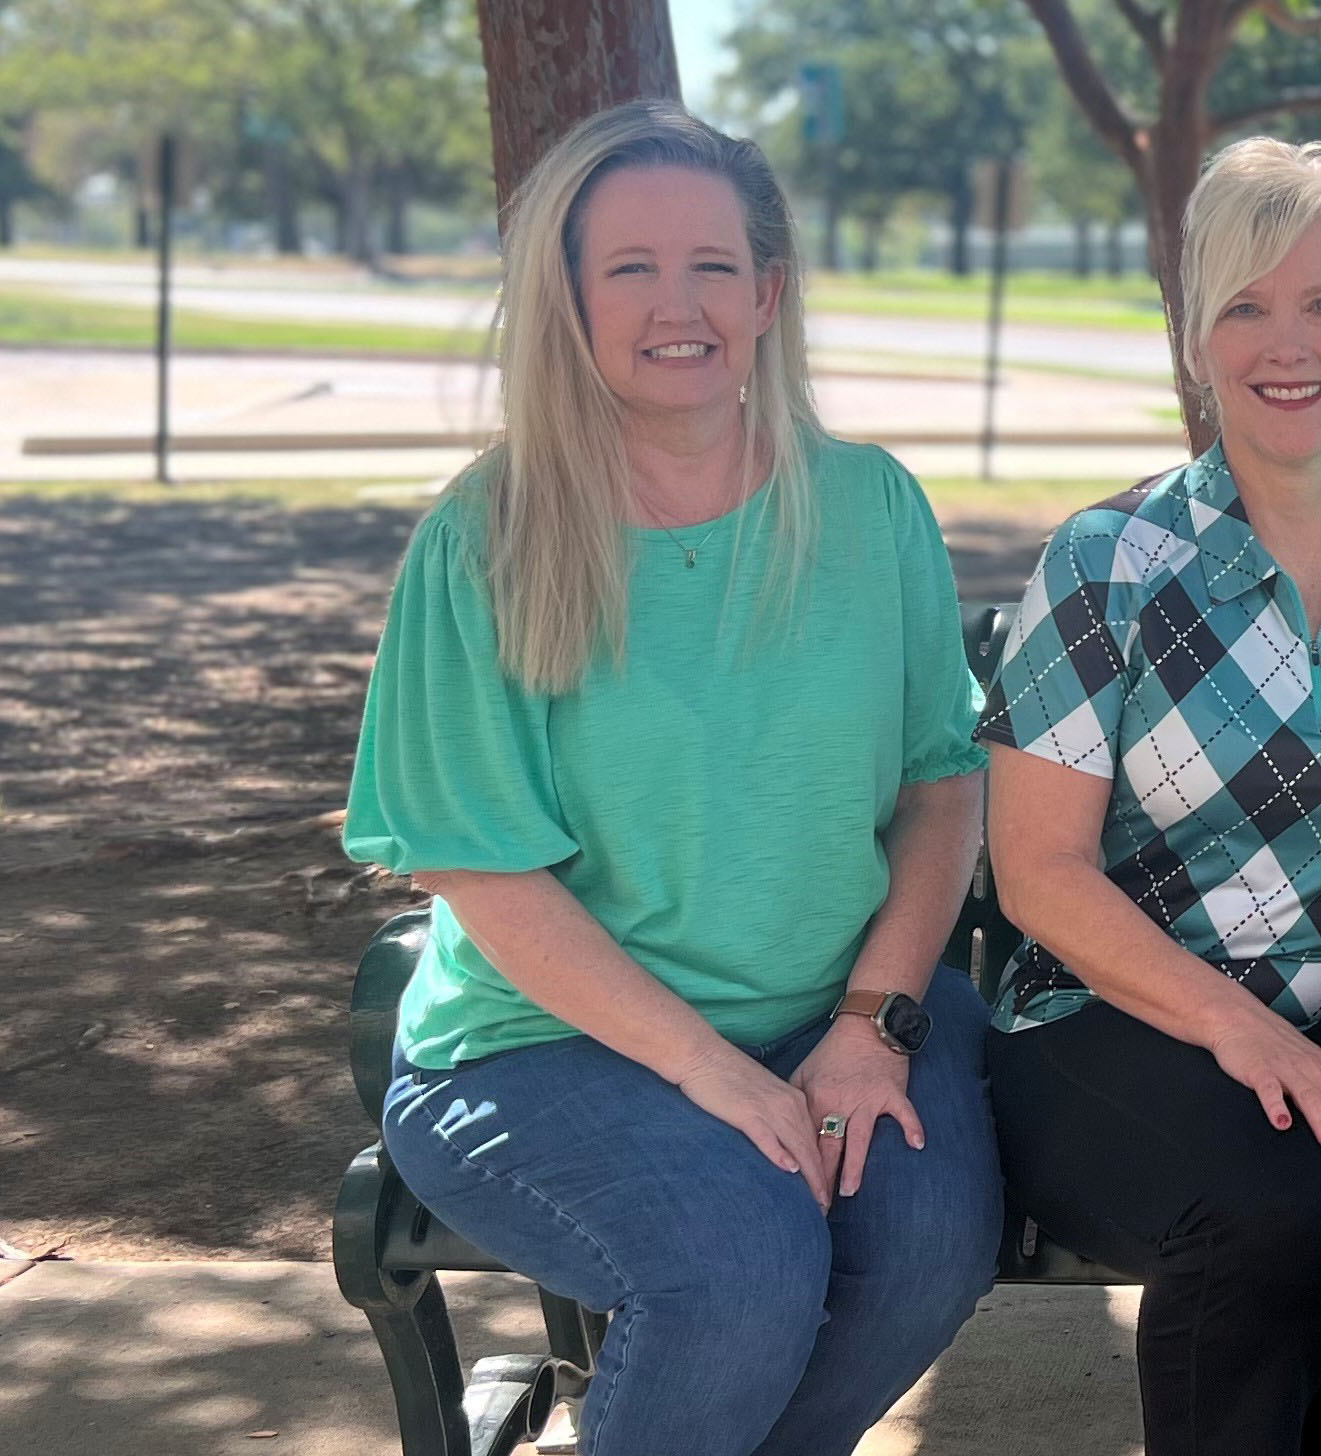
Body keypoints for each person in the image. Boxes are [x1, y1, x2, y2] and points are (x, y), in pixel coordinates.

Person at [343, 100, 998, 1456]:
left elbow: (943, 783)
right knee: (740, 1269)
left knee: (929, 1253)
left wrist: (870, 1023)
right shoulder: (486, 540)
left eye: (711, 265)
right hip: (544, 1046)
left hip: (837, 1010)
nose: (675, 302)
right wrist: (714, 1071)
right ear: (568, 300)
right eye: (628, 268)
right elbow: (482, 870)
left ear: (767, 294)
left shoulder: (869, 509)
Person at [978, 137, 1321, 1456]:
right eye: (1246, 305)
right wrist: (1242, 1032)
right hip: (1111, 1021)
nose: (1291, 343)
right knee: (1277, 1200)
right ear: (1197, 332)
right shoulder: (1109, 564)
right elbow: (1039, 872)